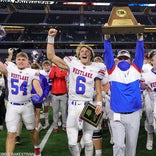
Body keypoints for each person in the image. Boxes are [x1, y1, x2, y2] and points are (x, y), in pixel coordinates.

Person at [47, 28, 104, 156]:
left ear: (91, 55)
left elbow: (99, 91)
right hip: (73, 104)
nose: (84, 53)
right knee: (72, 143)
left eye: (87, 51)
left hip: (89, 105)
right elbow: (51, 56)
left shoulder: (97, 68)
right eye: (82, 51)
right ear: (78, 55)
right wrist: (51, 38)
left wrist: (99, 104)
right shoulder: (72, 63)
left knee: (89, 140)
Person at [103, 30, 144, 156]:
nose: (123, 60)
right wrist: (106, 37)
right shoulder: (112, 70)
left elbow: (140, 53)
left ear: (131, 60)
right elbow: (107, 53)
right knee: (119, 145)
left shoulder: (136, 69)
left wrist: (140, 38)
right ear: (116, 60)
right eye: (120, 58)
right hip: (117, 115)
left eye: (125, 58)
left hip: (134, 115)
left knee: (131, 148)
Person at [0, 51, 43, 156]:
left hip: (26, 106)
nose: (21, 61)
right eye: (19, 59)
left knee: (32, 130)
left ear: (27, 61)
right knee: (11, 133)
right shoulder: (10, 68)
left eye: (23, 59)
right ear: (15, 61)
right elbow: (1, 67)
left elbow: (38, 88)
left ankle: (36, 146)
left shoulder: (32, 72)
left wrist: (39, 94)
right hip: (12, 106)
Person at [141, 50, 156, 151]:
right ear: (151, 61)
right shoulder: (146, 74)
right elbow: (141, 87)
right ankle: (149, 136)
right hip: (150, 97)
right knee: (150, 119)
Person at [49, 64, 68, 132]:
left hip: (63, 93)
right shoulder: (54, 68)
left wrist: (56, 69)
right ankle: (55, 126)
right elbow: (51, 76)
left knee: (64, 111)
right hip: (54, 94)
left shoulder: (64, 68)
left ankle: (64, 125)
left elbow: (61, 75)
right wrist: (54, 67)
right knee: (55, 111)